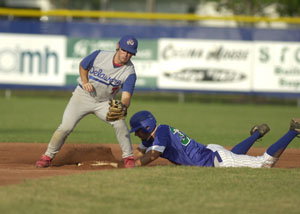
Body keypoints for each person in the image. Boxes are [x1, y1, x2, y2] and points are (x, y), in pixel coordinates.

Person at [36, 35, 138, 168]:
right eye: (124, 50)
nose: (126, 54)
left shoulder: (129, 72)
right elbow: (83, 66)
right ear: (118, 47)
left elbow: (126, 96)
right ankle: (47, 156)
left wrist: (123, 106)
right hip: (82, 96)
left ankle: (128, 158)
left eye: (130, 52)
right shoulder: (100, 55)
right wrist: (84, 81)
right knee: (66, 127)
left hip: (104, 102)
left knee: (120, 123)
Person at [129, 110, 299, 168]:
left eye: (137, 131)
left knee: (264, 164)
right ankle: (256, 134)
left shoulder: (161, 134)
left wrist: (134, 165)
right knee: (233, 156)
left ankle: (294, 130)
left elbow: (152, 156)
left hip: (215, 160)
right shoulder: (155, 135)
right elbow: (140, 150)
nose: (136, 134)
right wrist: (128, 160)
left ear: (147, 128)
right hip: (211, 151)